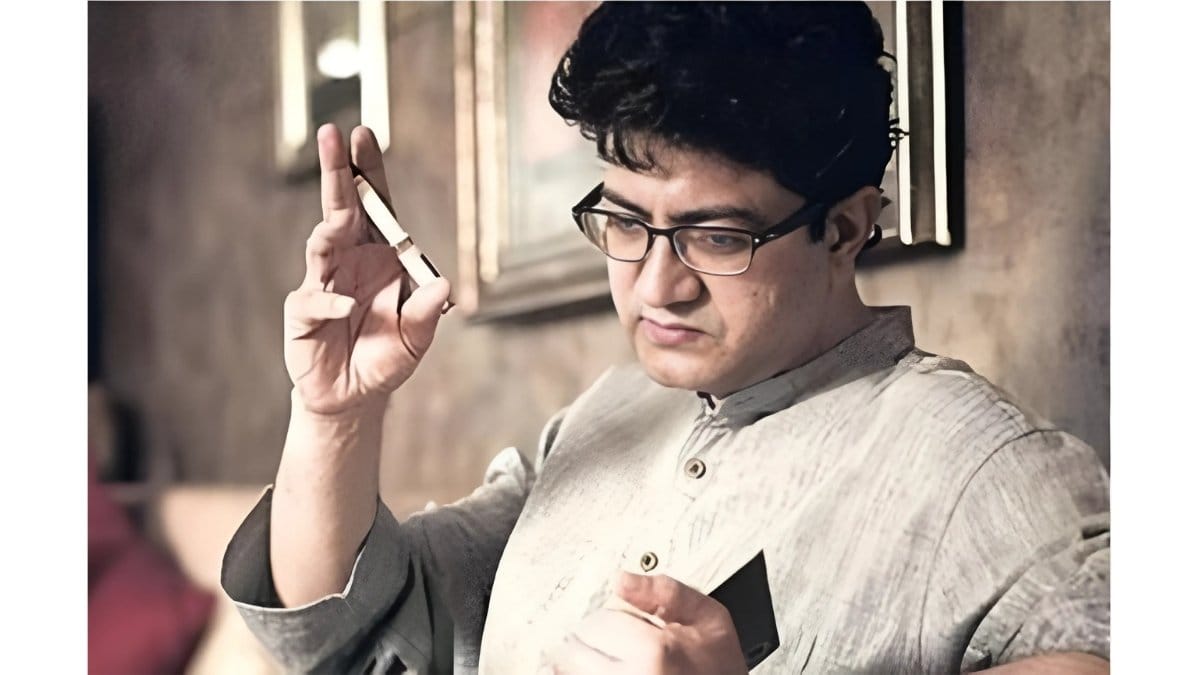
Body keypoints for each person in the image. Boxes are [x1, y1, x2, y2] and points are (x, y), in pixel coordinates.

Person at [221, 3, 1109, 673]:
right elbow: (350, 633)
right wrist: (335, 413)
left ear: (844, 228)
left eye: (716, 237)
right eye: (625, 222)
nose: (655, 285)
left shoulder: (984, 470)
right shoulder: (603, 417)